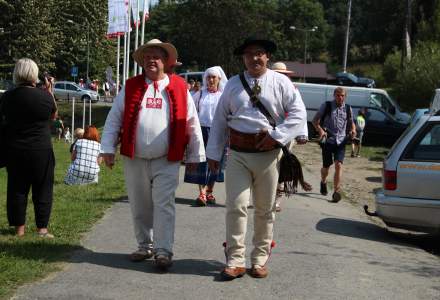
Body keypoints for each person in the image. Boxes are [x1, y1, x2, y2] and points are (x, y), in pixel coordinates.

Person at [206, 37, 307, 280]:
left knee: (265, 210)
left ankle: (260, 259)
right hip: (238, 155)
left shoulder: (280, 82)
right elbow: (220, 121)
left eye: (259, 53)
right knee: (236, 206)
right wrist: (213, 154)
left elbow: (298, 113)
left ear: (267, 56)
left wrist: (277, 136)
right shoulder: (232, 85)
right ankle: (235, 259)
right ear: (243, 58)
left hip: (268, 156)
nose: (254, 58)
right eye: (249, 54)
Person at [100, 38, 205, 271]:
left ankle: (163, 250)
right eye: (147, 58)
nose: (150, 61)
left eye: (155, 57)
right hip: (134, 157)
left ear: (165, 61)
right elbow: (114, 118)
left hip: (167, 159)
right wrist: (107, 148)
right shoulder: (131, 86)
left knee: (164, 203)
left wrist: (196, 157)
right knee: (139, 204)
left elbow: (191, 122)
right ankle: (144, 245)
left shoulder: (179, 87)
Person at [0, 58, 57, 238]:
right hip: (41, 149)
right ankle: (42, 229)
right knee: (43, 188)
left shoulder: (7, 97)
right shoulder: (44, 97)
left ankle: (20, 230)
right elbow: (53, 115)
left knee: (17, 189)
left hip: (15, 148)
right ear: (34, 73)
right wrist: (49, 91)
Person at [183, 66, 228, 206]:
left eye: (214, 77)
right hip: (201, 131)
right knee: (201, 161)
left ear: (219, 79)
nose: (211, 80)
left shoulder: (223, 96)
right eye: (208, 77)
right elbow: (190, 111)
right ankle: (202, 193)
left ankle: (209, 191)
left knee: (215, 162)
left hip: (218, 132)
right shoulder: (199, 95)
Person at [271, 62, 311, 212]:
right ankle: (260, 197)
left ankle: (276, 201)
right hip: (268, 133)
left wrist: (302, 134)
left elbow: (300, 113)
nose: (282, 77)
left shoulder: (293, 90)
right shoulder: (266, 88)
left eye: (285, 74)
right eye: (279, 74)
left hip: (287, 135)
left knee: (283, 166)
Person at [312, 86, 356, 203]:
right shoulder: (326, 106)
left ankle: (336, 191)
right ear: (334, 95)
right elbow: (315, 121)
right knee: (326, 167)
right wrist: (320, 131)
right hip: (328, 140)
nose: (340, 98)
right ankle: (323, 181)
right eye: (338, 95)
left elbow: (352, 123)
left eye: (342, 96)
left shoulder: (348, 108)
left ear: (345, 97)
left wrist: (353, 130)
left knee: (339, 165)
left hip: (341, 141)